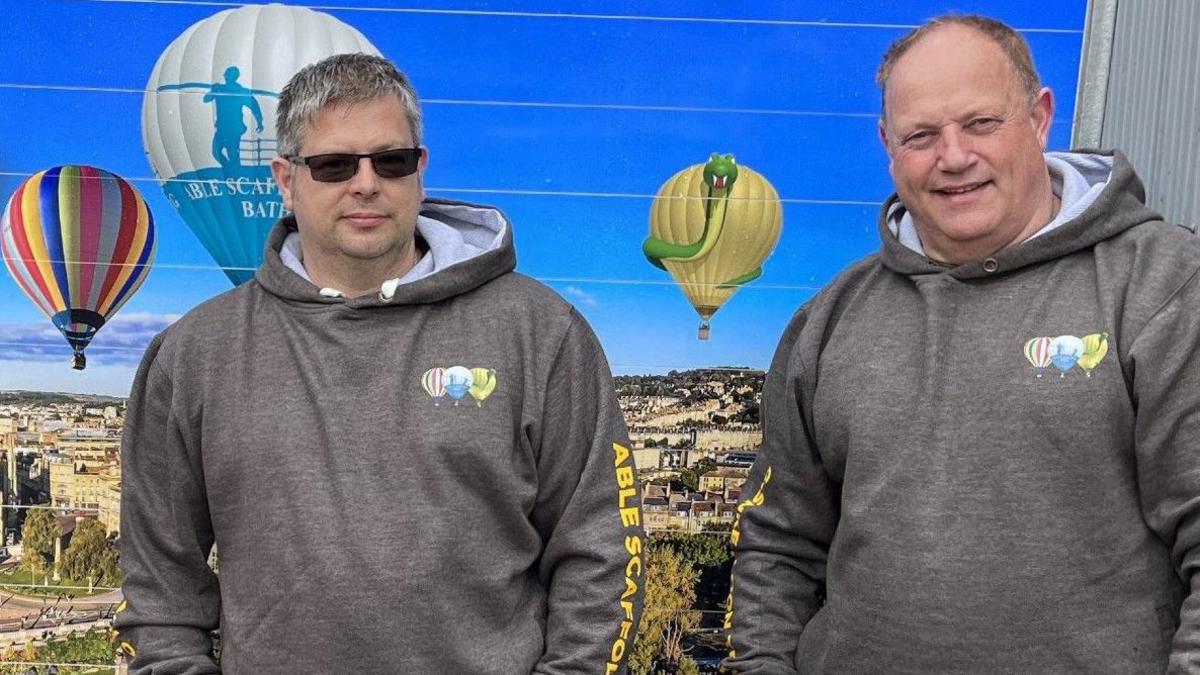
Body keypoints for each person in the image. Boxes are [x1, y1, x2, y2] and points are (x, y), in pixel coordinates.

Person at [114, 53, 644, 674]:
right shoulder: (195, 352)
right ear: (285, 179)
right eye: (334, 164)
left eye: (389, 160)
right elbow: (159, 581)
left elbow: (600, 551)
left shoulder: (541, 330)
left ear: (419, 171)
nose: (365, 183)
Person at [725, 14, 1200, 673]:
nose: (953, 156)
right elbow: (777, 547)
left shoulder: (1162, 284)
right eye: (921, 135)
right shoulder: (831, 318)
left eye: (980, 123)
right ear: (888, 146)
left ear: (1038, 118)